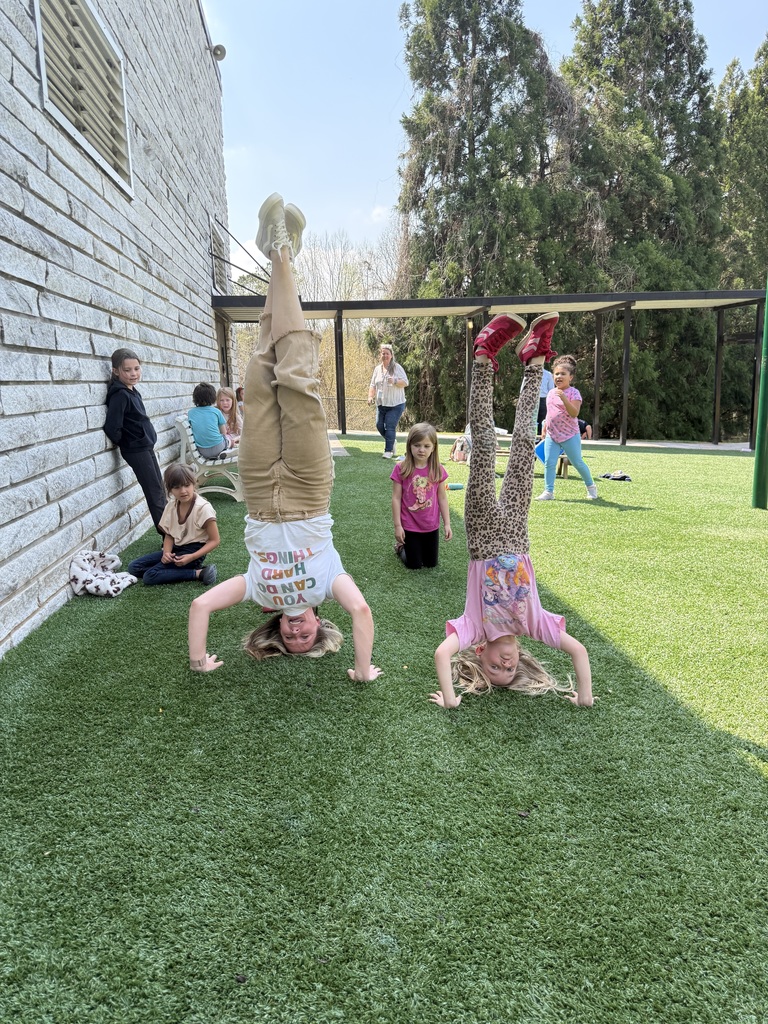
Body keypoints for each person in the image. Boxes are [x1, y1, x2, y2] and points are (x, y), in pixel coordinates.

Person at [187, 193, 380, 680]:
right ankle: (281, 249)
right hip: (309, 489)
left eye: (290, 639)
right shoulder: (328, 584)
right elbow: (361, 613)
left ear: (276, 627)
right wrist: (361, 668)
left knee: (259, 371)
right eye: (307, 636)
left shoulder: (257, 590)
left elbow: (201, 606)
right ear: (318, 621)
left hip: (257, 491)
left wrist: (198, 660)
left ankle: (279, 251)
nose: (297, 634)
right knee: (297, 378)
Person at [429, 312, 594, 709]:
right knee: (524, 445)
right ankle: (535, 360)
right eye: (511, 670)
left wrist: (452, 700)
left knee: (483, 445)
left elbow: (441, 654)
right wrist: (584, 696)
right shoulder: (535, 625)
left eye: (495, 670)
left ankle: (484, 355)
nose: (506, 665)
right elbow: (580, 652)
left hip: (483, 536)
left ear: (480, 655)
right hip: (518, 532)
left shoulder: (474, 629)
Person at [104, 348, 166, 534]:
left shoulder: (132, 391)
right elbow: (112, 427)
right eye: (127, 370)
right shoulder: (120, 394)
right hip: (136, 450)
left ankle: (173, 534)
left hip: (145, 446)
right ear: (116, 371)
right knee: (154, 493)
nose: (133, 374)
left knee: (160, 490)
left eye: (136, 369)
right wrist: (128, 441)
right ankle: (169, 539)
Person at [128, 463, 219, 586]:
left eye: (187, 485)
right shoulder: (171, 506)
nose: (183, 491)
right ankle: (173, 571)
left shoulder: (203, 508)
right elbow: (169, 535)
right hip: (176, 549)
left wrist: (191, 557)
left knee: (150, 576)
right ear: (170, 489)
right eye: (176, 487)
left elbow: (215, 540)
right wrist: (166, 553)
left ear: (194, 483)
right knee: (134, 567)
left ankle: (198, 573)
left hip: (193, 552)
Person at [391, 422, 452, 569]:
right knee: (414, 565)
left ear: (433, 448)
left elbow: (442, 498)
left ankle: (417, 550)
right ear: (410, 445)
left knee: (431, 564)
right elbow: (396, 498)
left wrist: (447, 523)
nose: (421, 450)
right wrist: (398, 526)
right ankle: (401, 548)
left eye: (426, 446)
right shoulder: (401, 468)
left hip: (431, 525)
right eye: (417, 445)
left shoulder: (437, 469)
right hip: (410, 525)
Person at [536, 355, 598, 501]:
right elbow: (550, 414)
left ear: (571, 377)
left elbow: (574, 413)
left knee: (577, 462)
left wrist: (564, 398)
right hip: (552, 435)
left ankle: (591, 487)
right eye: (556, 374)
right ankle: (548, 491)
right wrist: (545, 427)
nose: (559, 376)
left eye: (563, 374)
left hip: (570, 435)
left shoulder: (574, 393)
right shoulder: (551, 393)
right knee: (549, 463)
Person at [367, 343, 408, 458]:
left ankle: (388, 451)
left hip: (396, 404)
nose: (385, 355)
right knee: (379, 425)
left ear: (391, 355)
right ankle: (392, 440)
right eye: (383, 353)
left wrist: (395, 380)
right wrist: (370, 396)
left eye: (387, 354)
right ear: (380, 355)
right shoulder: (377, 369)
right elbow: (372, 385)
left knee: (390, 426)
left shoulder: (397, 368)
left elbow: (405, 382)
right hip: (381, 404)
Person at [188, 382, 231, 459]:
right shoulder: (216, 411)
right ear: (213, 397)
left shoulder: (191, 413)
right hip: (219, 447)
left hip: (202, 451)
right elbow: (223, 432)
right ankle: (227, 449)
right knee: (227, 438)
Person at [538, 367, 554, 435]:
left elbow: (551, 389)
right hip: (532, 399)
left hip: (543, 399)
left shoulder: (548, 374)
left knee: (542, 420)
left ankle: (541, 436)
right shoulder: (530, 372)